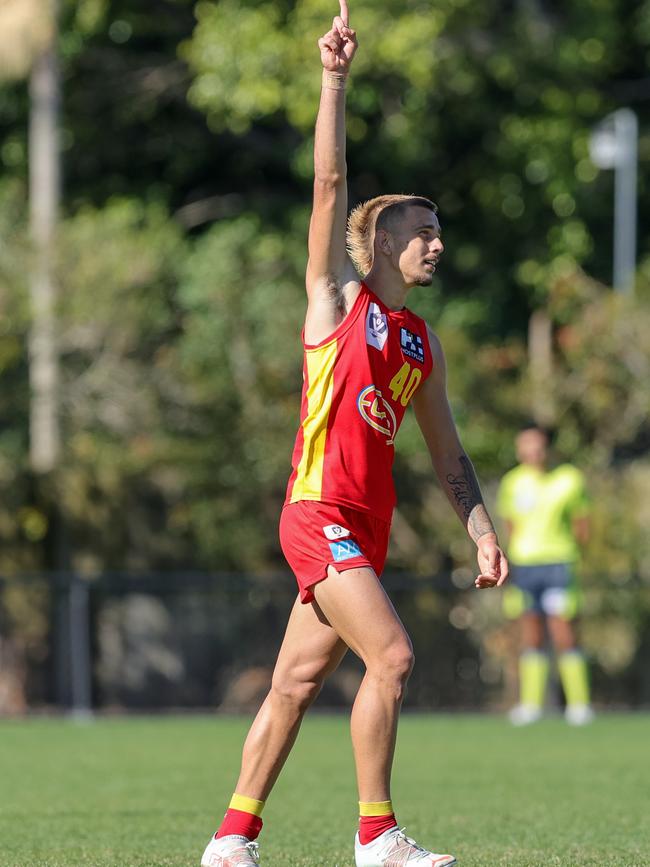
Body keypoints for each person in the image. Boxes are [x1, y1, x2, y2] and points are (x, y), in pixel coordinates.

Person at [200, 4, 508, 866]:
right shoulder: (338, 301)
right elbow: (329, 186)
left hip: (363, 527)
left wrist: (482, 531)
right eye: (422, 231)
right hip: (318, 510)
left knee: (294, 684)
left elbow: (447, 451)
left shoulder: (419, 343)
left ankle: (231, 837)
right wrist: (334, 77)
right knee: (396, 655)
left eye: (437, 232)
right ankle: (378, 837)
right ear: (379, 243)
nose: (436, 243)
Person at [496, 423, 593, 726]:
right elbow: (510, 526)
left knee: (564, 631)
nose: (532, 452)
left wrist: (571, 554)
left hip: (559, 564)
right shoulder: (512, 482)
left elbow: (582, 525)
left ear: (547, 447)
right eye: (525, 445)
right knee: (532, 633)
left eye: (537, 445)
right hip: (526, 566)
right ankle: (531, 705)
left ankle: (578, 705)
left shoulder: (569, 479)